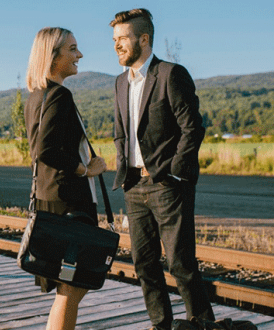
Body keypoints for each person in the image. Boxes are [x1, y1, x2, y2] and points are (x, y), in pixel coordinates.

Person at [109, 9, 215, 330]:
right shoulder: (119, 83)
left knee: (180, 264)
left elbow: (192, 128)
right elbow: (121, 132)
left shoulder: (170, 74)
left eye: (122, 39)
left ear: (144, 39)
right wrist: (124, 170)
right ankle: (161, 325)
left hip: (168, 186)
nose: (116, 46)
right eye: (114, 40)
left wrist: (175, 174)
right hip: (134, 187)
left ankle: (203, 324)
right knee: (144, 264)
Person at [24, 27, 107, 330]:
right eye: (72, 49)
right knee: (71, 287)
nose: (79, 55)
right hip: (68, 202)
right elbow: (44, 149)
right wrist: (84, 169)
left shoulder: (37, 96)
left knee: (71, 286)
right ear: (53, 56)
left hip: (52, 198)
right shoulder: (59, 95)